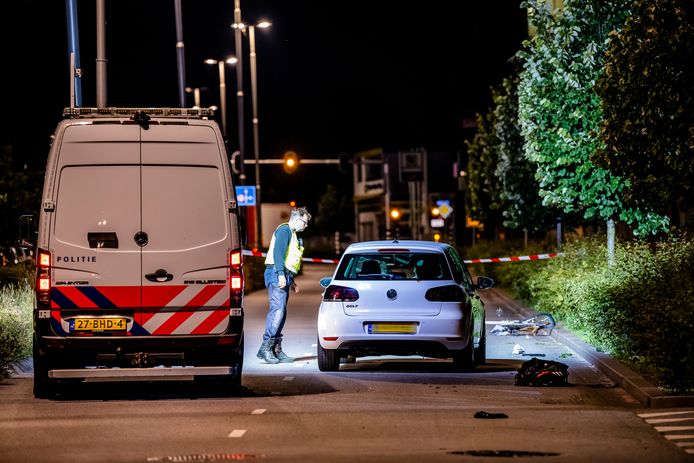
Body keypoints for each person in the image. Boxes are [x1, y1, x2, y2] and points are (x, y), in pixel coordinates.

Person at [257, 206, 312, 364]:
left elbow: (289, 258)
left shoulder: (293, 234)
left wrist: (291, 280)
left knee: (281, 313)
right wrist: (281, 274)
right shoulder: (284, 230)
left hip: (283, 275)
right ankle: (265, 348)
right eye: (305, 222)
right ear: (297, 219)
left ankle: (275, 348)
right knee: (277, 311)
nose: (306, 225)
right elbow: (278, 254)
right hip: (276, 274)